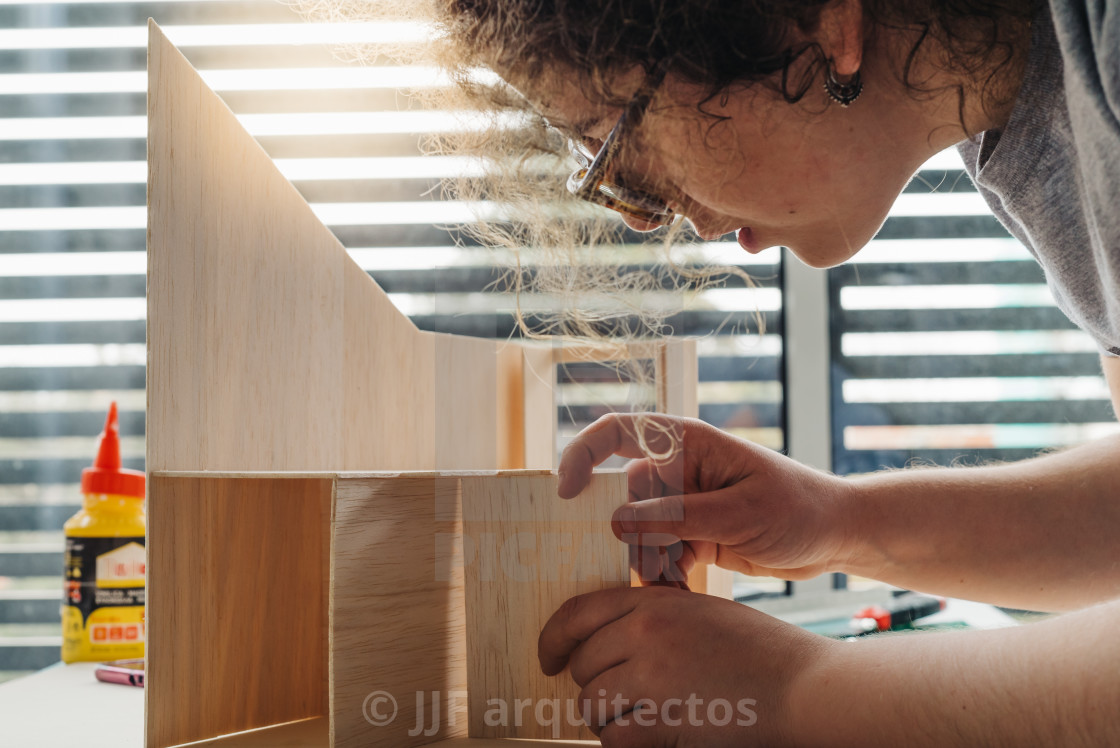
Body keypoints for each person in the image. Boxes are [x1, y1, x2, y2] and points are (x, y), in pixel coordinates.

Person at [420, 0, 1120, 743]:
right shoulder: (1024, 131)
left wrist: (798, 694)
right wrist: (836, 522)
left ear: (824, 23)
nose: (641, 214)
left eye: (617, 142)